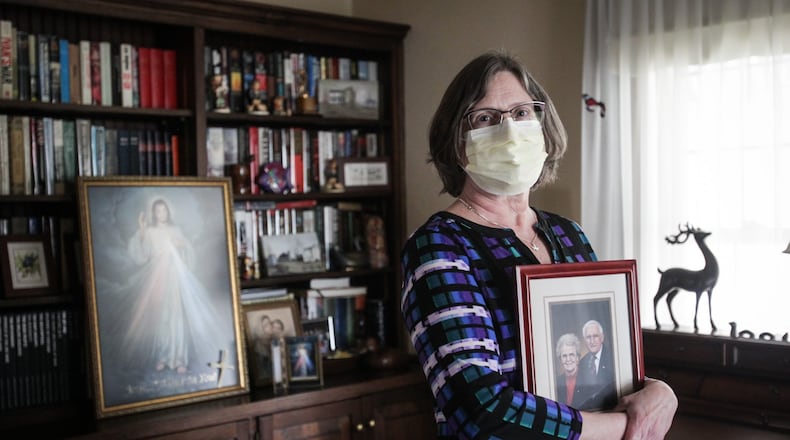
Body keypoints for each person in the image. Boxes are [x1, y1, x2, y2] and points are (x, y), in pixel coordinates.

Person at [400, 51, 677, 439]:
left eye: (521, 113)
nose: (509, 130)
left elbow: (600, 363)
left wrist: (657, 391)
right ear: (458, 143)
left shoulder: (569, 235)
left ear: (542, 126)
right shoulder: (439, 246)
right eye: (485, 118)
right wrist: (621, 427)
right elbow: (479, 403)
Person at [122, 198, 226, 374]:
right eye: (158, 211)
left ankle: (179, 359)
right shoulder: (150, 231)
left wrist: (182, 246)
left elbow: (187, 251)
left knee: (176, 318)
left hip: (174, 278)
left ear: (168, 212)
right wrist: (141, 229)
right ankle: (163, 356)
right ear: (153, 214)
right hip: (157, 278)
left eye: (164, 210)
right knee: (161, 318)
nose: (161, 214)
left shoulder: (175, 230)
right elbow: (143, 255)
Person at [576, 320, 617, 410]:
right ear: (584, 340)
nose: (592, 341)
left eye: (595, 336)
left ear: (602, 338)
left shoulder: (613, 358)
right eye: (588, 337)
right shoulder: (582, 362)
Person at [555, 333, 582, 406]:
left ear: (577, 357)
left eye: (571, 354)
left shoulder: (587, 379)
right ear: (560, 359)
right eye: (564, 356)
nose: (568, 359)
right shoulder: (556, 382)